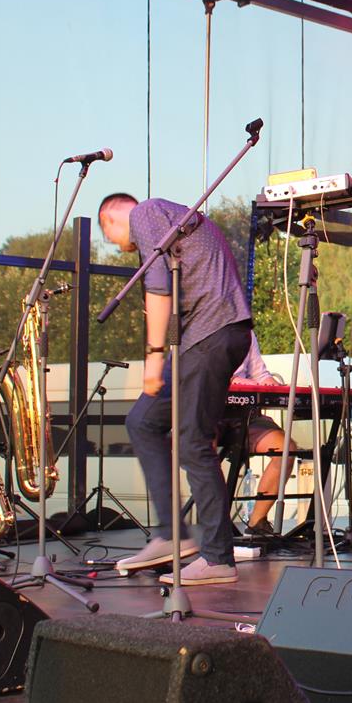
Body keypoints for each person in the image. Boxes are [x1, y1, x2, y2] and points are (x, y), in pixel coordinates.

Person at [99, 193, 252, 586]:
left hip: (211, 333)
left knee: (192, 443)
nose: (116, 245)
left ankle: (218, 558)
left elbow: (158, 287)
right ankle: (172, 535)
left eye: (109, 236)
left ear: (110, 219)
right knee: (142, 421)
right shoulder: (172, 220)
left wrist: (153, 360)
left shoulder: (145, 212)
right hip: (198, 339)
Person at [225, 332, 297, 536]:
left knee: (286, 449)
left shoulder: (246, 332)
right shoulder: (201, 326)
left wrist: (277, 387)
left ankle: (257, 522)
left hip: (246, 416)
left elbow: (261, 375)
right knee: (202, 449)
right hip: (210, 414)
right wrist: (245, 383)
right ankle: (216, 522)